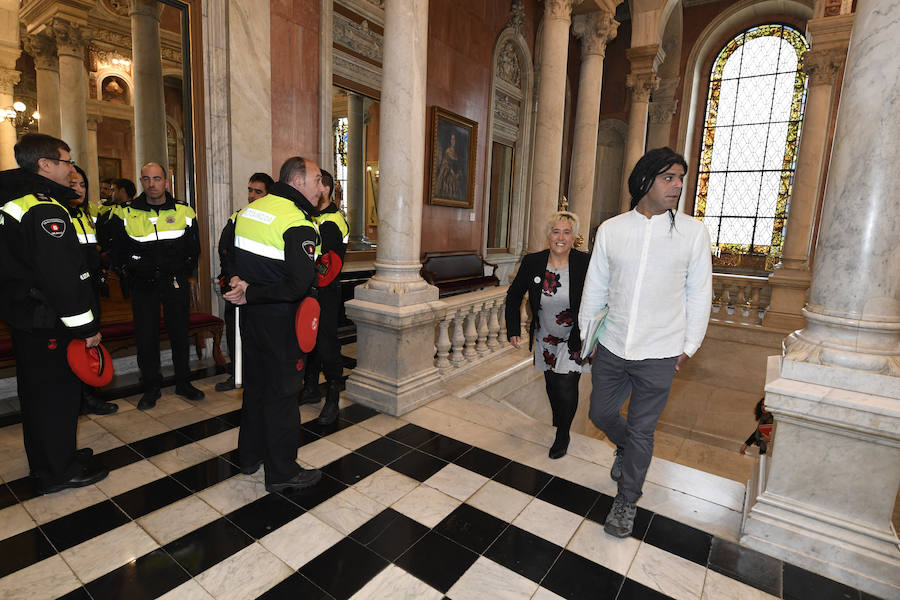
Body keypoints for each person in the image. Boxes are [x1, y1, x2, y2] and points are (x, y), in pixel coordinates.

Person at [580, 147, 713, 538]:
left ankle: (626, 500)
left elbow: (698, 293)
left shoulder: (692, 233)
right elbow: (595, 289)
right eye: (668, 177)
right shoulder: (612, 230)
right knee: (600, 415)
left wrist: (689, 345)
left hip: (661, 351)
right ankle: (623, 449)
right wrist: (587, 340)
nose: (677, 186)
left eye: (680, 179)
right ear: (644, 180)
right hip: (614, 344)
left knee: (642, 430)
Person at [0, 133, 109, 494]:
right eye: (67, 161)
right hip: (48, 320)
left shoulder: (14, 200)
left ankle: (50, 460)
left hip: (25, 315)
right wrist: (87, 327)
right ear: (45, 165)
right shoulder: (44, 208)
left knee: (37, 395)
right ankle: (59, 472)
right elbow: (63, 278)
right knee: (56, 398)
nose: (72, 168)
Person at [223, 156, 325, 493]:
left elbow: (230, 255)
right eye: (316, 180)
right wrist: (251, 292)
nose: (321, 187)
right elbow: (298, 284)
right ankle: (282, 472)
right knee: (283, 396)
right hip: (283, 321)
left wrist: (241, 284)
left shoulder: (247, 212)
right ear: (297, 182)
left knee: (255, 388)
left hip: (253, 319)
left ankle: (249, 457)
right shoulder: (297, 222)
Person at [108, 162, 203, 409]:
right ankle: (151, 387)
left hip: (174, 282)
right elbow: (117, 252)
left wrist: (182, 272)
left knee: (180, 333)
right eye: (147, 179)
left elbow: (195, 249)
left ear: (166, 182)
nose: (152, 184)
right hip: (143, 285)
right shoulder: (125, 212)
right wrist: (131, 272)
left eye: (157, 179)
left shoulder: (184, 211)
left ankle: (183, 382)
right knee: (146, 337)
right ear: (141, 182)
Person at [505, 211, 590, 459]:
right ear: (548, 235)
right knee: (552, 383)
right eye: (556, 231)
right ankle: (558, 421)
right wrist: (513, 329)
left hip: (574, 335)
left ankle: (563, 434)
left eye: (566, 232)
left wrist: (594, 336)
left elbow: (599, 299)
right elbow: (513, 296)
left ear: (574, 237)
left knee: (567, 382)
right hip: (545, 335)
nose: (561, 237)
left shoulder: (585, 263)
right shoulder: (533, 262)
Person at [215, 172, 275, 392]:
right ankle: (236, 375)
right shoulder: (238, 217)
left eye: (257, 191)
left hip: (262, 290)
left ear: (269, 194)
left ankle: (262, 376)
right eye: (249, 190)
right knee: (235, 332)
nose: (251, 195)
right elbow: (225, 251)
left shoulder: (275, 220)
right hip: (236, 285)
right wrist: (233, 277)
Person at [68, 166, 118, 415]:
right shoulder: (58, 215)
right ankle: (75, 399)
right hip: (71, 291)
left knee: (90, 345)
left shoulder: (87, 214)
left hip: (91, 288)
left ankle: (89, 396)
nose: (77, 189)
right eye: (72, 183)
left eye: (82, 184)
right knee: (75, 345)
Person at [301, 168, 349, 425]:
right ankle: (309, 389)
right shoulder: (308, 215)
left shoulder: (332, 221)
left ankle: (332, 398)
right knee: (308, 341)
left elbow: (327, 265)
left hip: (325, 291)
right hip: (307, 290)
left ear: (325, 189)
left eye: (315, 184)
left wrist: (305, 279)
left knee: (326, 343)